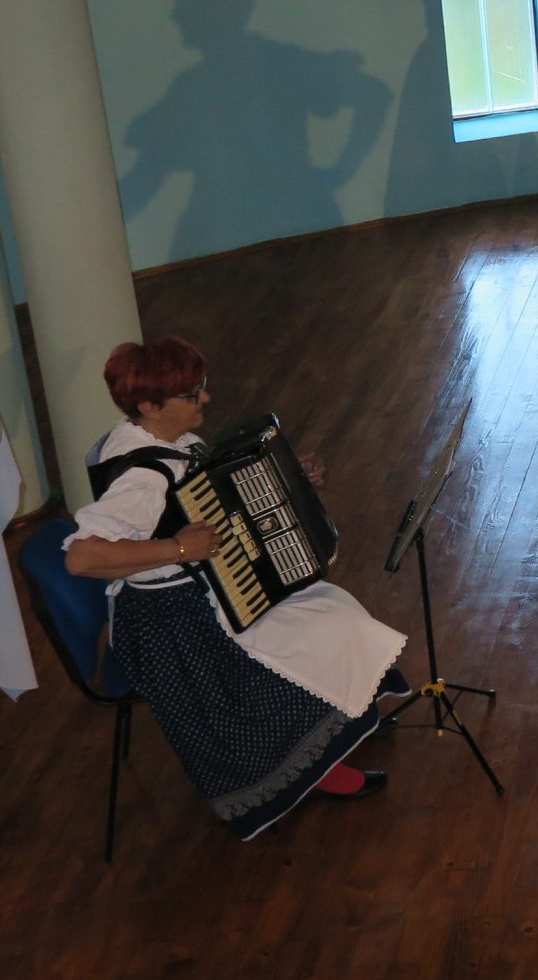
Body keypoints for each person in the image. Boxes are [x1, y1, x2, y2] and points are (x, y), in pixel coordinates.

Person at [63, 338, 407, 840]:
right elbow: (82, 557)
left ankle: (344, 719)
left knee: (327, 609)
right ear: (150, 406)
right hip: (166, 622)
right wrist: (178, 549)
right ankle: (313, 766)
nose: (205, 398)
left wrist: (293, 475)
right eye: (191, 394)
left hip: (200, 589)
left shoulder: (165, 440)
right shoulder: (141, 477)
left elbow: (213, 496)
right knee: (297, 640)